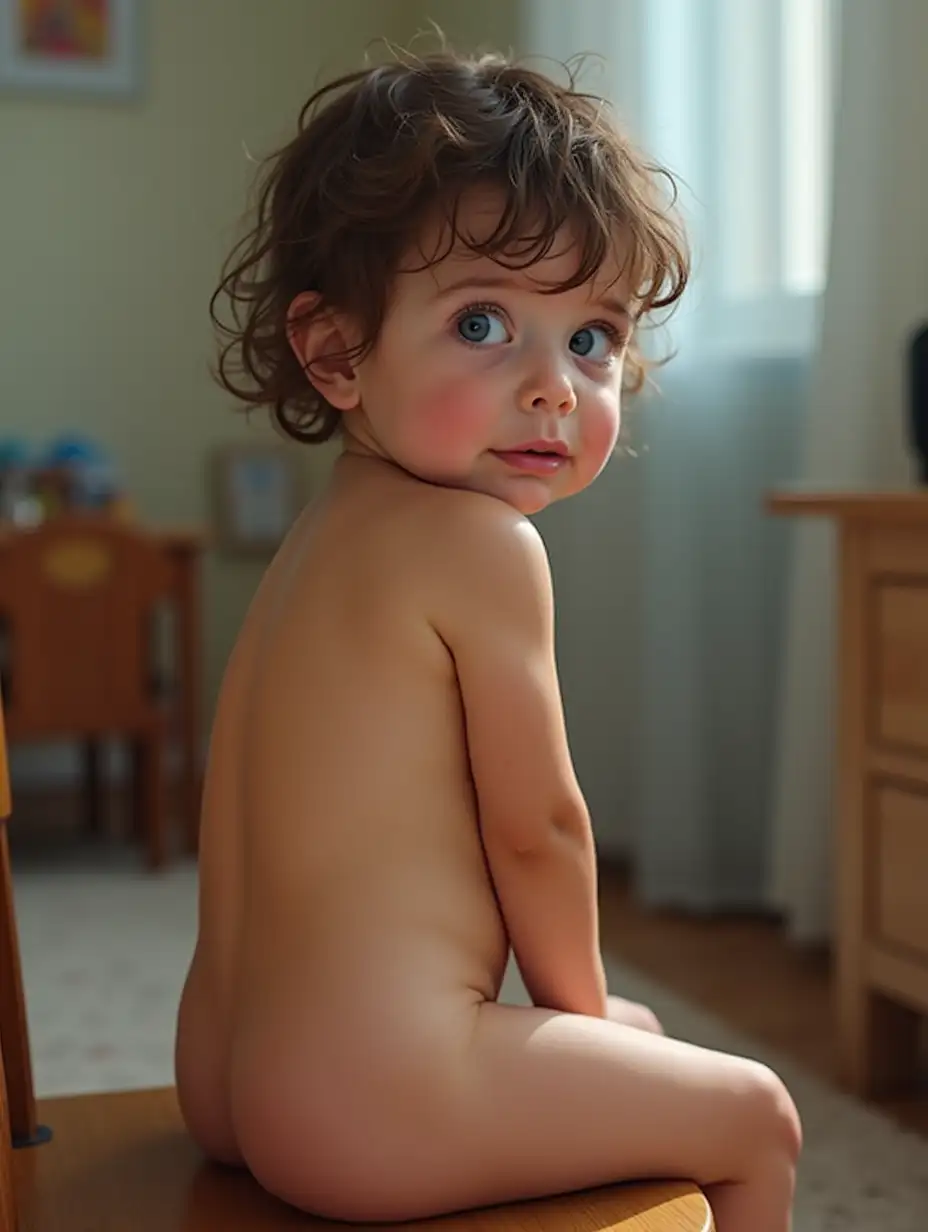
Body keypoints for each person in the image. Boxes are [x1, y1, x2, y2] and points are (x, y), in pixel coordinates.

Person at [174, 46, 801, 1230]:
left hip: (227, 1069)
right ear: (335, 352)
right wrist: (579, 1013)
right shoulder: (481, 548)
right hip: (366, 1101)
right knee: (754, 1113)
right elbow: (542, 829)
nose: (554, 386)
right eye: (483, 321)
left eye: (591, 338)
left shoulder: (324, 538)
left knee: (637, 1047)